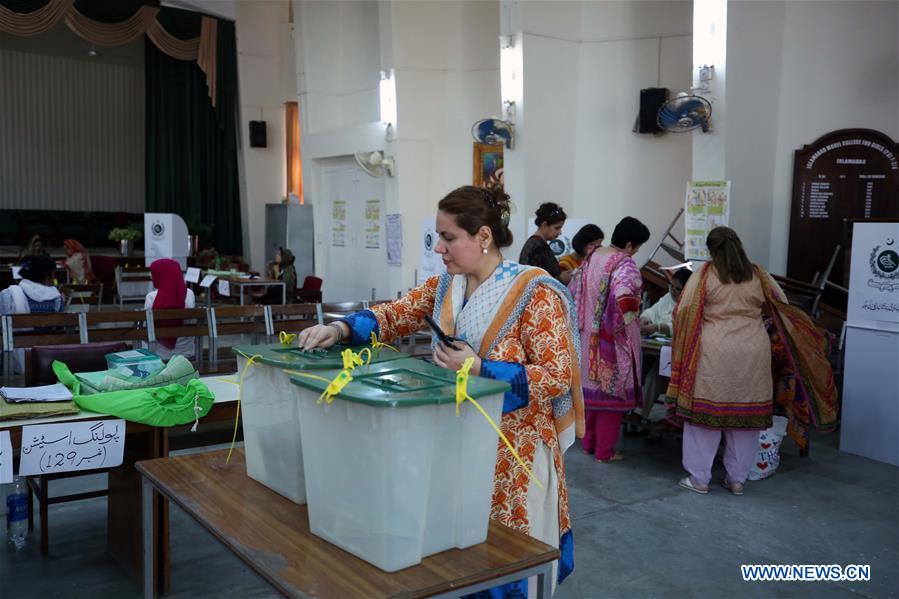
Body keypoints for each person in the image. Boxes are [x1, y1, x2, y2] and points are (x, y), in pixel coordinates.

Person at [297, 185, 584, 597]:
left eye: (449, 238)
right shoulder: (448, 286)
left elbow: (557, 374)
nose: (439, 248)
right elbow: (397, 313)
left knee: (504, 563)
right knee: (455, 558)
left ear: (483, 236)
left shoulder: (534, 292)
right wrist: (340, 328)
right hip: (456, 443)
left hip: (513, 459)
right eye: (438, 237)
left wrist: (480, 367)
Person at [668, 227, 838, 496]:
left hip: (714, 350)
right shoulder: (758, 274)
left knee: (704, 418)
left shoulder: (704, 274)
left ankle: (699, 478)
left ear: (711, 249)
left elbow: (685, 309)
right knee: (744, 419)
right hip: (753, 349)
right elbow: (781, 303)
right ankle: (737, 480)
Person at [569, 216, 650, 462]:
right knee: (610, 397)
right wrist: (630, 319)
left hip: (585, 337)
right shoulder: (624, 264)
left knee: (591, 396)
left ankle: (588, 444)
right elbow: (624, 296)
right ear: (629, 244)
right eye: (637, 247)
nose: (636, 252)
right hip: (610, 341)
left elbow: (572, 290)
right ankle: (605, 451)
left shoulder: (591, 257)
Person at [637, 268, 692, 420]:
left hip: (681, 358)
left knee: (656, 376)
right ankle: (640, 414)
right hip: (662, 353)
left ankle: (665, 418)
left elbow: (682, 327)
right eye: (671, 286)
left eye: (677, 289)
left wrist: (659, 327)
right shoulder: (668, 298)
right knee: (648, 374)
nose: (673, 291)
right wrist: (645, 319)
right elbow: (652, 312)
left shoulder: (691, 303)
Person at [0, 255, 64, 373]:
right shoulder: (57, 298)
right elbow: (60, 329)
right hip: (47, 360)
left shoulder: (9, 294)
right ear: (46, 275)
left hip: (13, 361)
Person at [144, 259, 196, 360]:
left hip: (158, 353)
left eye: (153, 273)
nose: (151, 277)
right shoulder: (189, 294)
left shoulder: (151, 297)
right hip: (186, 352)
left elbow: (146, 327)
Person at [519, 202, 574, 284]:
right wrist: (561, 279)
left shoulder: (537, 244)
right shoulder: (538, 248)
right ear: (544, 225)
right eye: (557, 228)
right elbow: (536, 282)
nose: (560, 232)